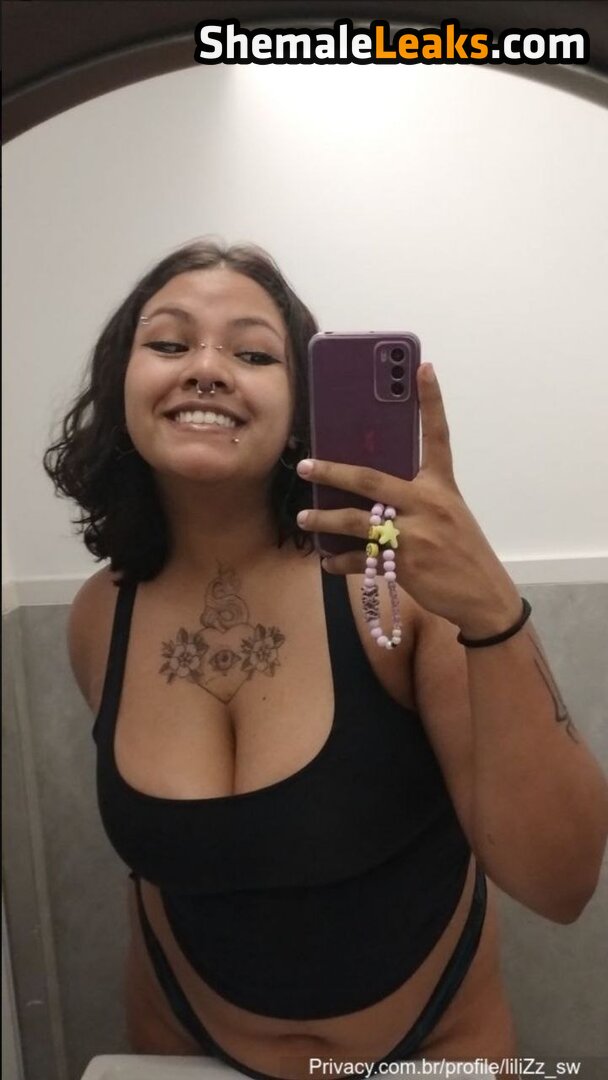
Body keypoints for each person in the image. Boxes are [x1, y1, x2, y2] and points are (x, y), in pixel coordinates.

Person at [44, 239, 608, 1080]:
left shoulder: (394, 594)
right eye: (168, 342)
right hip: (184, 1050)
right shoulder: (101, 614)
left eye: (253, 354)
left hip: (432, 1057)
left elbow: (561, 886)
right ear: (121, 382)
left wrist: (492, 608)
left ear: (303, 406)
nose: (206, 368)